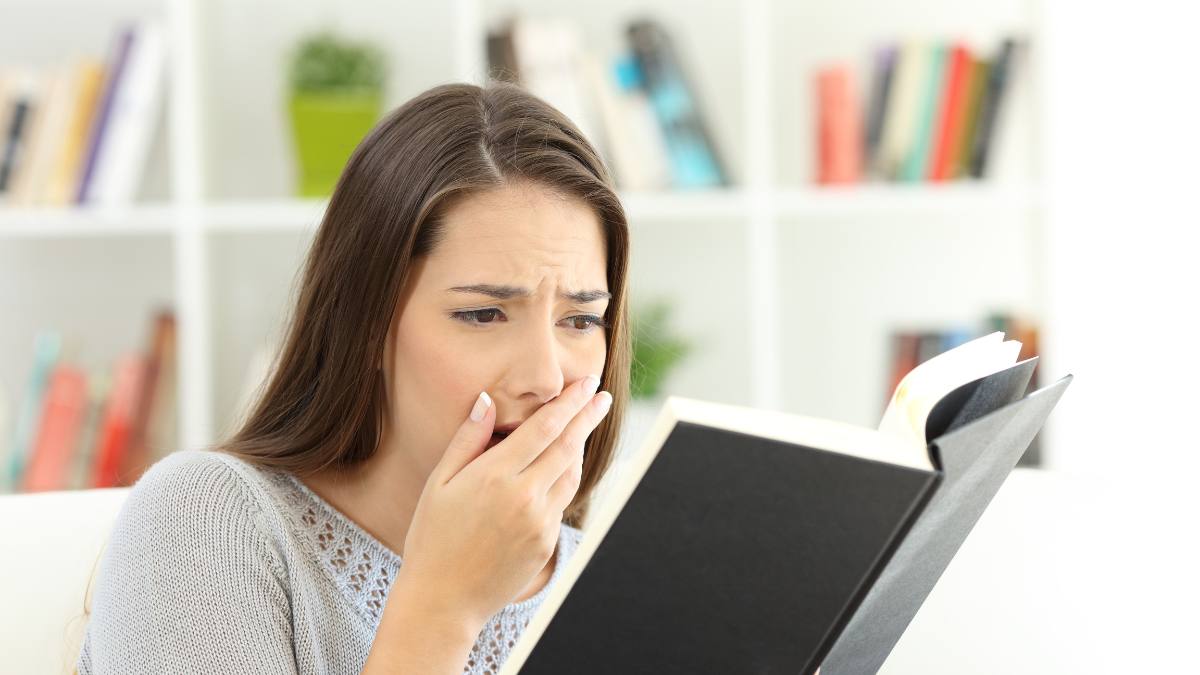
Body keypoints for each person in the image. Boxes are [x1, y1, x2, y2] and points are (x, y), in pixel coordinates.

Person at [76, 80, 632, 674]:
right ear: (367, 322)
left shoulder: (610, 583)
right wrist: (442, 606)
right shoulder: (206, 522)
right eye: (482, 314)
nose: (545, 378)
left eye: (580, 319)